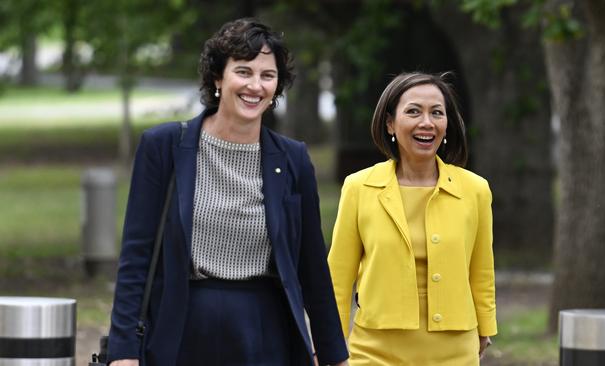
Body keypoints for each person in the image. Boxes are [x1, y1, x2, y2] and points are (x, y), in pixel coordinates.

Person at [107, 18, 348, 366]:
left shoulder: (293, 159)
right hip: (181, 330)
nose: (256, 85)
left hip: (264, 334)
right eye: (244, 72)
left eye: (267, 75)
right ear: (218, 78)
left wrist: (334, 355)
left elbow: (311, 267)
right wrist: (124, 352)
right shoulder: (163, 147)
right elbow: (135, 258)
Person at [327, 72, 497, 365]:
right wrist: (330, 342)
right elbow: (339, 276)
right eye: (414, 112)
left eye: (437, 113)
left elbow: (481, 270)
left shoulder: (475, 190)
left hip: (454, 350)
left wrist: (486, 327)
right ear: (390, 123)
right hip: (376, 350)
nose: (427, 123)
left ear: (447, 124)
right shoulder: (359, 187)